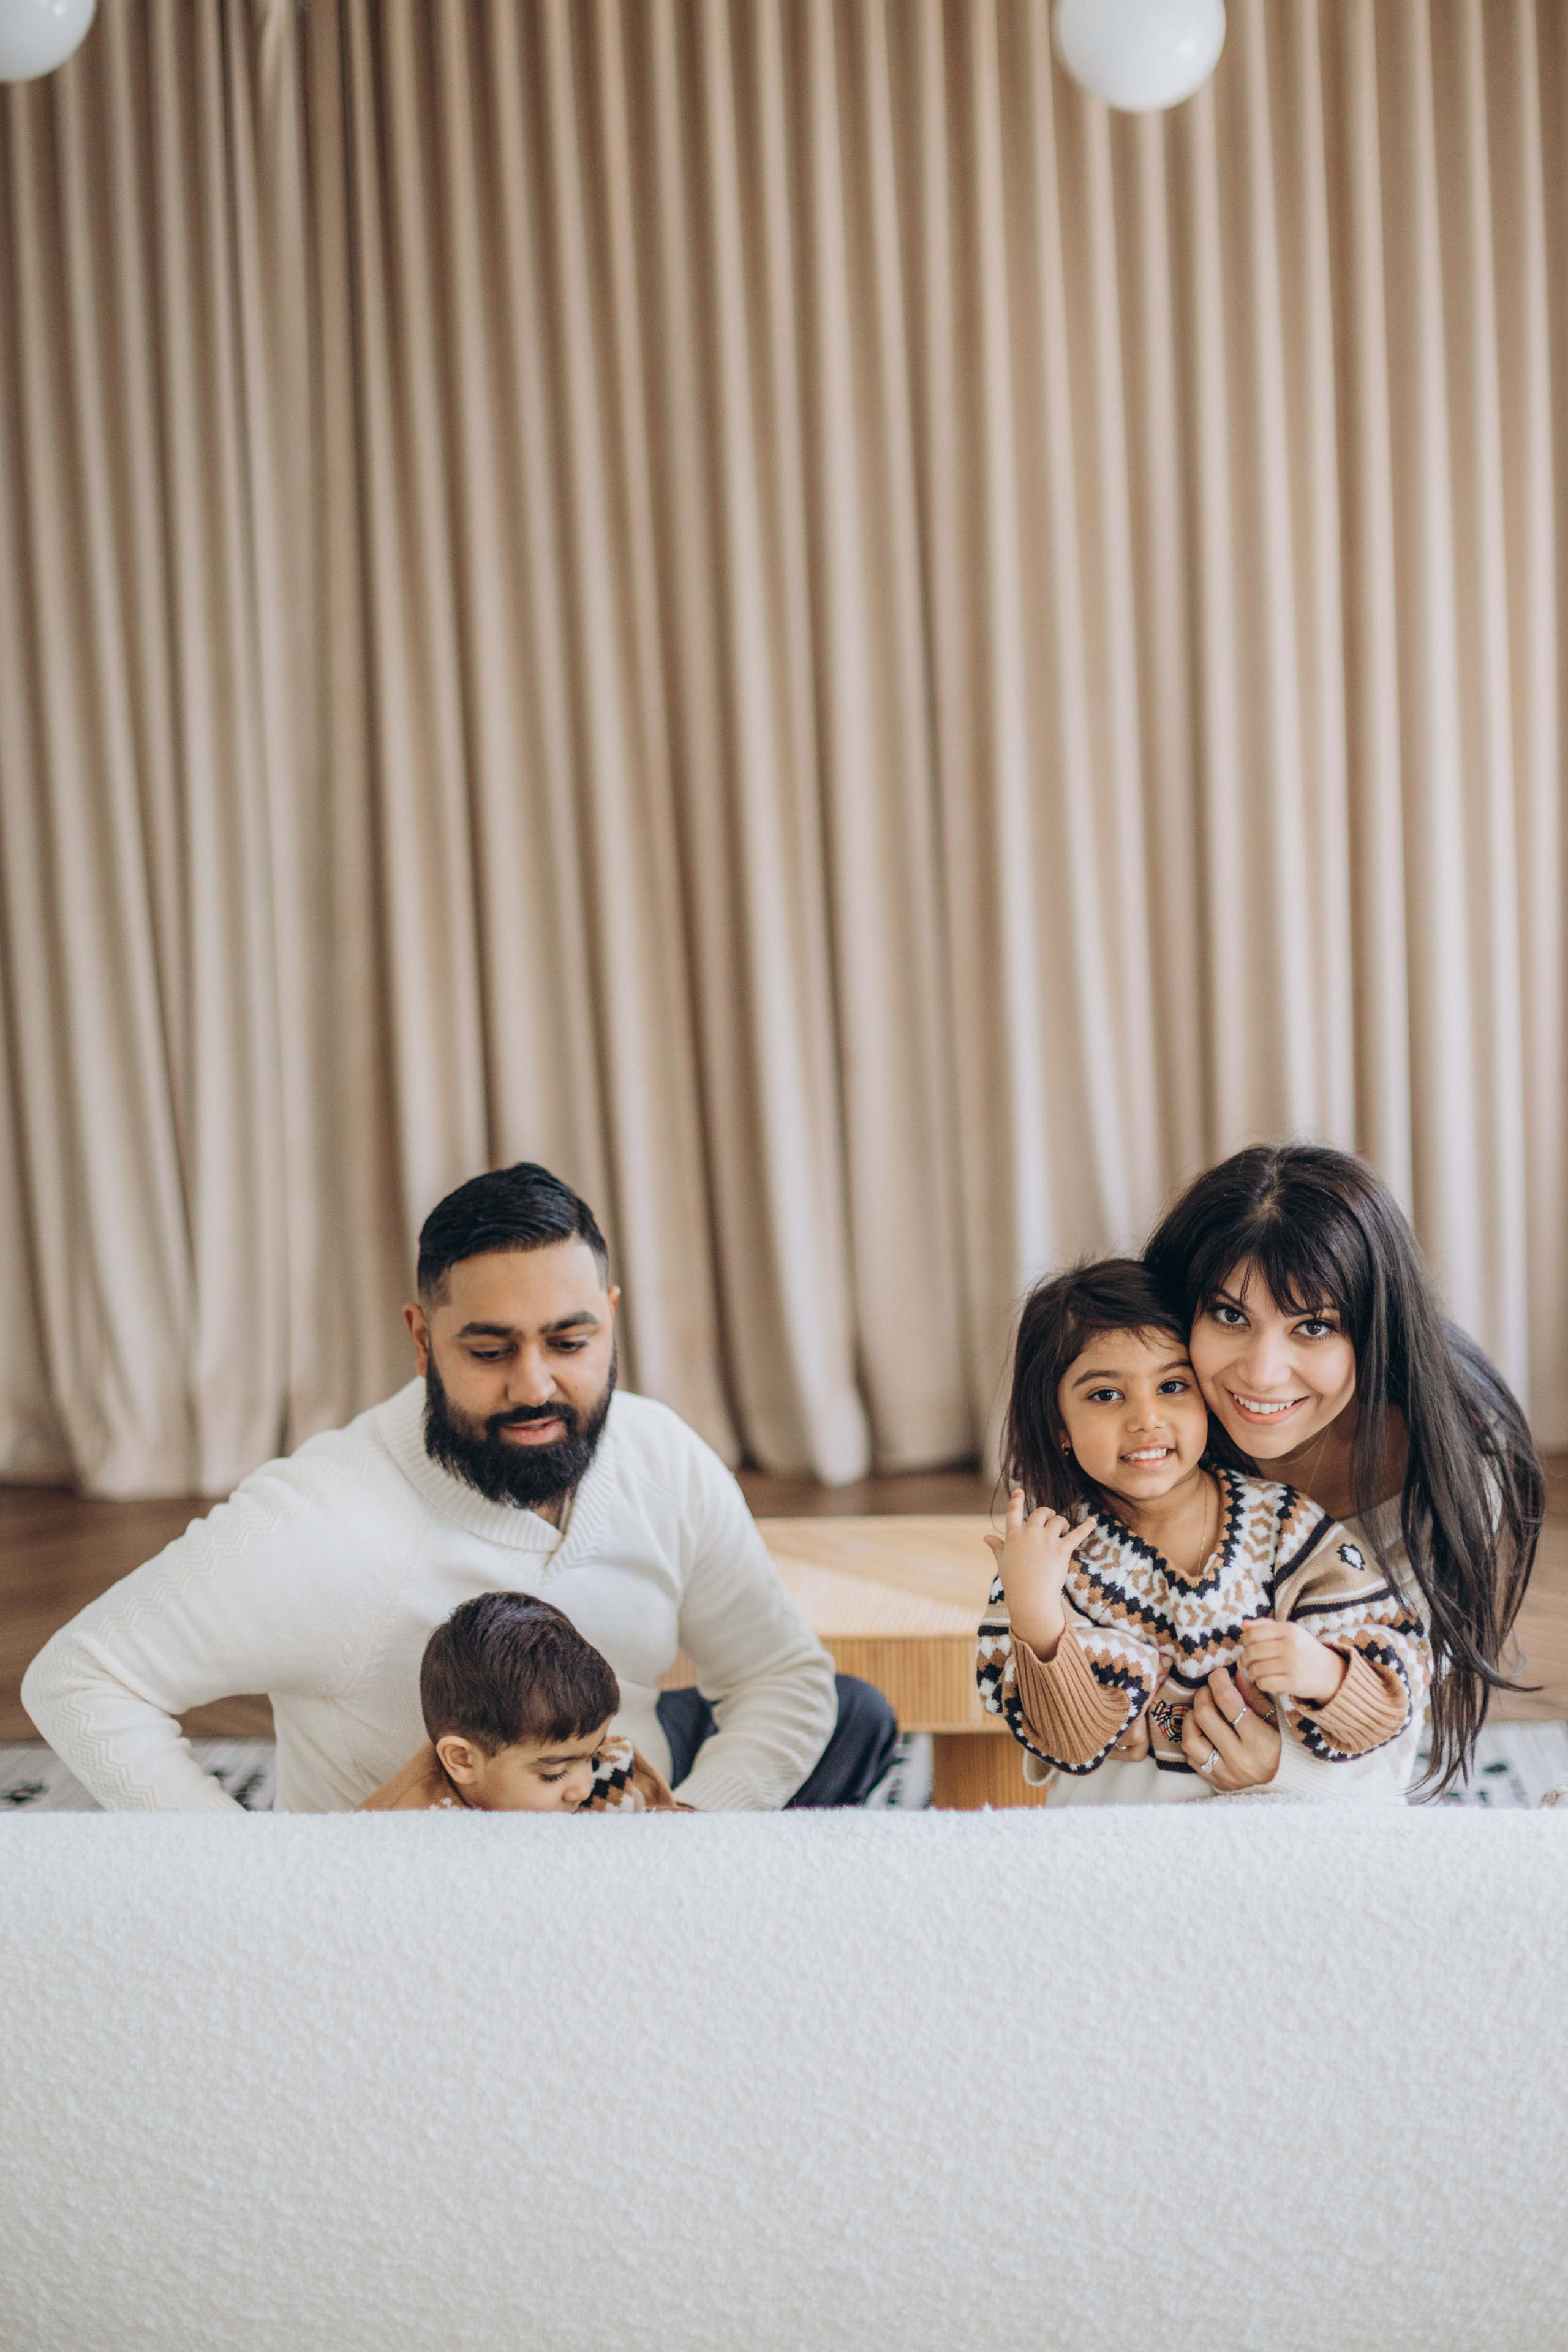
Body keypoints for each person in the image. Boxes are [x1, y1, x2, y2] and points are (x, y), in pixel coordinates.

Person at [23, 1163, 898, 1814]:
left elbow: (779, 1676)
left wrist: (690, 1839)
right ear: (421, 1337)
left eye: (569, 1341)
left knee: (852, 1712)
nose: (534, 1386)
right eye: (489, 1350)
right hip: (432, 1896)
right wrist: (263, 1881)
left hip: (633, 1823)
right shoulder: (322, 1518)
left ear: (612, 1318)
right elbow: (81, 1677)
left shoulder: (659, 1451)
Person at [1141, 1142, 1544, 1795]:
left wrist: (1279, 1773)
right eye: (1228, 1314)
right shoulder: (1156, 1415)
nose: (1263, 1373)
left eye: (1314, 1326)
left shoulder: (1452, 1465)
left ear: (1371, 1326)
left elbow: (1392, 1708)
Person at [975, 1259, 1430, 1803]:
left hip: (1265, 1847)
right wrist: (1038, 1616)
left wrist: (1324, 1674)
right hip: (1113, 1851)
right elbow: (1070, 1742)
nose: (1147, 1418)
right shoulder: (1051, 1560)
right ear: (1059, 1428)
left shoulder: (1286, 1527)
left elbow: (1391, 1693)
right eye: (1105, 1395)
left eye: (1172, 1385)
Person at [358, 1592, 680, 1814]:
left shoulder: (612, 1776)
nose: (583, 1788)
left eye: (591, 1759)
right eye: (554, 1773)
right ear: (464, 1760)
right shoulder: (398, 1825)